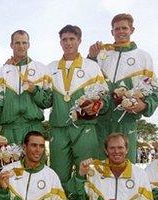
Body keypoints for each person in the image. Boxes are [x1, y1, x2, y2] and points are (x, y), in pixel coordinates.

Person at [39, 25, 110, 185]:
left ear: (79, 41)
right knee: (58, 175)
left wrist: (95, 106)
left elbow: (104, 98)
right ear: (60, 42)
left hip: (85, 127)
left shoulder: (92, 66)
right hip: (58, 128)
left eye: (72, 39)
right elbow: (46, 100)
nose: (68, 43)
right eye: (64, 39)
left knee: (88, 173)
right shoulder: (50, 68)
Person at [88, 14, 158, 162]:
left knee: (127, 169)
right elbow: (87, 80)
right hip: (101, 121)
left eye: (124, 28)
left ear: (132, 29)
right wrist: (91, 57)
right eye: (117, 28)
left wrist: (145, 105)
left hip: (127, 121)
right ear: (112, 31)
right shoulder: (102, 54)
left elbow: (153, 91)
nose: (121, 31)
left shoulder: (143, 57)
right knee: (100, 168)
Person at [0, 30, 48, 147]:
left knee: (35, 165)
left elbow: (47, 102)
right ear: (11, 45)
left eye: (24, 43)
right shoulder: (1, 72)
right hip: (9, 130)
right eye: (17, 43)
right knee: (9, 164)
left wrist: (35, 91)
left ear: (29, 45)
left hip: (34, 128)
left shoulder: (41, 69)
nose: (21, 46)